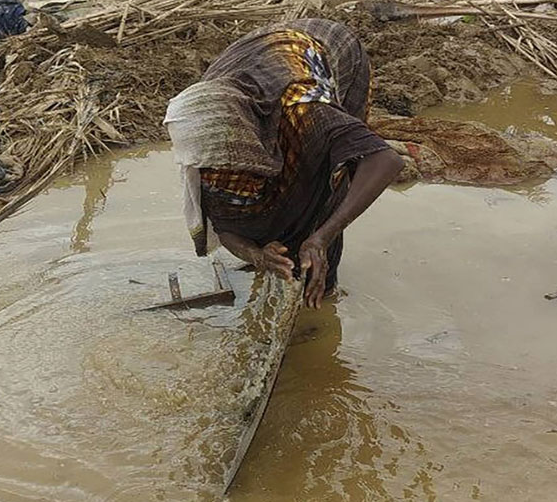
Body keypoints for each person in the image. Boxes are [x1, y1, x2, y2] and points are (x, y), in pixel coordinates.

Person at [164, 19, 404, 308]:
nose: (218, 175)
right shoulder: (203, 136)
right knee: (252, 198)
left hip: (326, 51)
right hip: (253, 60)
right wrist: (257, 255)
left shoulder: (304, 109)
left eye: (226, 166)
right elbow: (224, 224)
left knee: (328, 174)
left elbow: (385, 160)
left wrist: (321, 237)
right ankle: (288, 253)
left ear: (243, 142)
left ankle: (321, 277)